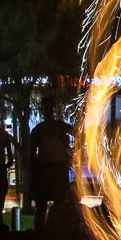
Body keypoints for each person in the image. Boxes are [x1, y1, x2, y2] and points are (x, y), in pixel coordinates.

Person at [29, 98, 74, 230]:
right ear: (42, 111)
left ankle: (57, 232)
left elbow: (77, 133)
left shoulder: (60, 126)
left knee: (59, 205)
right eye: (46, 108)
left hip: (58, 169)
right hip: (44, 170)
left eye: (50, 108)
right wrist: (34, 175)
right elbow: (32, 154)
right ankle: (40, 233)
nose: (48, 111)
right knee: (41, 206)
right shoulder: (38, 130)